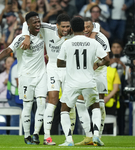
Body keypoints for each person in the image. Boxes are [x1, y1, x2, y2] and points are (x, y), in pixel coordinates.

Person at [21, 13, 100, 145]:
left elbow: (96, 24)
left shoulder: (73, 33)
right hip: (52, 67)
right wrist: (27, 36)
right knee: (52, 100)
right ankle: (47, 136)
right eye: (63, 27)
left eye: (68, 27)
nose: (65, 29)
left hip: (69, 69)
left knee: (74, 104)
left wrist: (92, 36)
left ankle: (74, 137)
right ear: (56, 25)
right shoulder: (47, 28)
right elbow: (26, 23)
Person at [0, 11, 47, 145]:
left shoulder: (43, 32)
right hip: (26, 77)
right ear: (28, 25)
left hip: (42, 74)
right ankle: (26, 135)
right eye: (34, 22)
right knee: (28, 105)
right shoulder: (20, 39)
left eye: (38, 21)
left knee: (42, 103)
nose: (38, 24)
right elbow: (7, 50)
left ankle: (36, 133)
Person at [57, 16, 109, 146]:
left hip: (72, 83)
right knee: (95, 106)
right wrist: (96, 64)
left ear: (72, 28)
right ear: (83, 28)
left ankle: (69, 140)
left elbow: (59, 63)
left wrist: (70, 65)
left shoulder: (67, 43)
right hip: (89, 81)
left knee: (64, 109)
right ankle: (96, 136)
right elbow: (107, 60)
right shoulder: (93, 42)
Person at [75, 17, 110, 146]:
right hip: (84, 73)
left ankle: (98, 136)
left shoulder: (101, 38)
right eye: (84, 27)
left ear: (92, 27)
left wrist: (97, 64)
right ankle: (88, 136)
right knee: (80, 102)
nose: (86, 29)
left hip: (98, 72)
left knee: (99, 103)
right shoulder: (79, 37)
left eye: (88, 27)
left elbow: (107, 58)